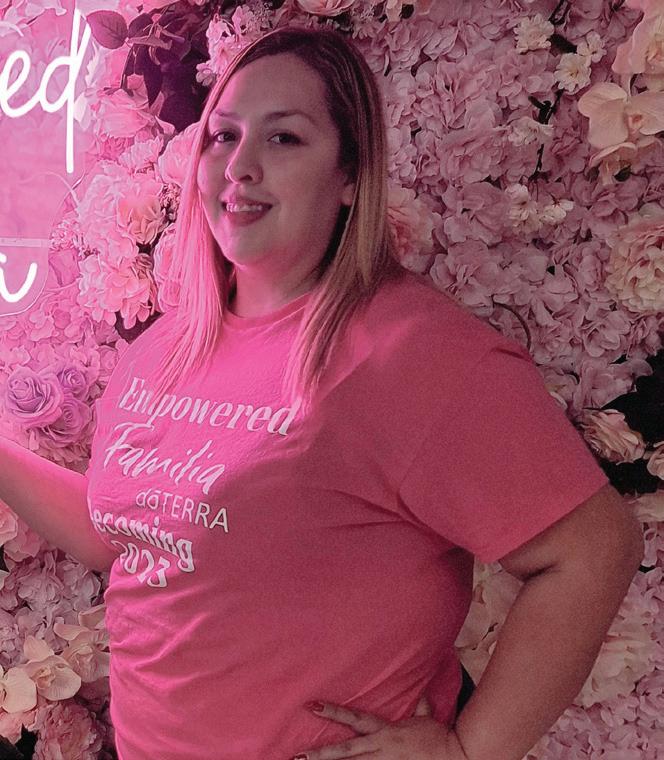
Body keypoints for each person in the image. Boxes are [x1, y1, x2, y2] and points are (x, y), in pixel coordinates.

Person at [0, 25, 643, 760]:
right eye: (223, 136)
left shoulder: (415, 355)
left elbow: (592, 549)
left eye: (284, 139)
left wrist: (471, 750)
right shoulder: (164, 349)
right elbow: (127, 534)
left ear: (350, 176)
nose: (239, 166)